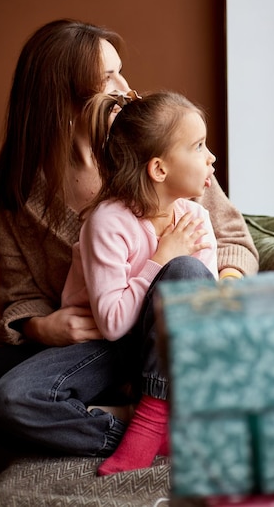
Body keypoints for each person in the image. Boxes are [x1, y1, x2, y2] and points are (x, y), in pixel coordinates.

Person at [0, 19, 259, 455]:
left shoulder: (153, 142)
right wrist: (42, 326)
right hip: (94, 344)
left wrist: (215, 299)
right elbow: (20, 297)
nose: (126, 86)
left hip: (169, 334)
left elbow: (233, 240)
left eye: (120, 70)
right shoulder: (22, 191)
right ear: (61, 98)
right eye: (107, 78)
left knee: (185, 271)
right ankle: (129, 426)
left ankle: (144, 408)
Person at [61, 89, 218, 473]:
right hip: (107, 352)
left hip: (165, 359)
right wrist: (160, 258)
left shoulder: (195, 218)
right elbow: (113, 324)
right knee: (13, 400)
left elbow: (205, 316)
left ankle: (153, 420)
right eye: (198, 146)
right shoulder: (107, 222)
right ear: (159, 169)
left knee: (188, 273)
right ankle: (144, 424)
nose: (211, 156)